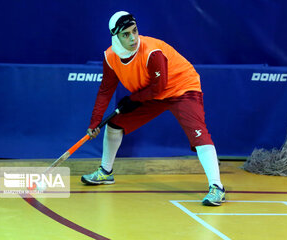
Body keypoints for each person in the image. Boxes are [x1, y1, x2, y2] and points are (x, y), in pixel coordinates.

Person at [81, 11, 225, 206]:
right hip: (151, 93)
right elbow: (106, 91)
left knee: (198, 133)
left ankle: (217, 187)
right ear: (115, 36)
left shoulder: (151, 52)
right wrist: (95, 121)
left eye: (135, 31)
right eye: (126, 34)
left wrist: (133, 99)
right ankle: (106, 172)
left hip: (181, 88)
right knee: (114, 124)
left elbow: (160, 87)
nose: (133, 38)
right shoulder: (110, 57)